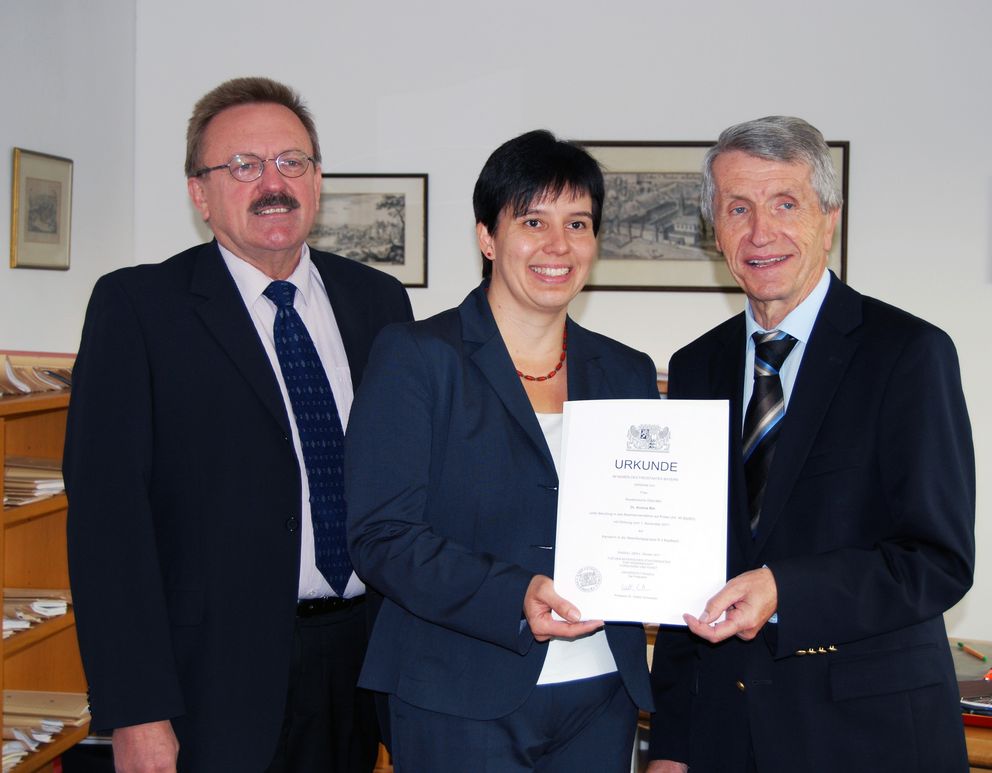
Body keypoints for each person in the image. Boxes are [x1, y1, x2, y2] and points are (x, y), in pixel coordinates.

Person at [64, 76, 413, 772]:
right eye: (243, 166)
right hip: (210, 680)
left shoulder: (377, 302)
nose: (273, 183)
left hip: (361, 659)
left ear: (317, 180)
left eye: (292, 162)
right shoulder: (139, 308)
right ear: (200, 192)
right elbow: (109, 524)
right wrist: (135, 707)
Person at [648, 116, 975, 773]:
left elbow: (937, 559)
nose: (760, 231)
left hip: (867, 738)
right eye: (738, 207)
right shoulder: (693, 368)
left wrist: (784, 589)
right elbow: (685, 568)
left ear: (830, 219)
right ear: (717, 229)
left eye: (785, 204)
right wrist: (672, 745)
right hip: (724, 738)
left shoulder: (909, 353)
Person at [345, 129, 656, 772]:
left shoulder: (627, 371)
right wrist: (514, 596)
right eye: (533, 220)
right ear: (488, 236)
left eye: (578, 223)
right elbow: (382, 535)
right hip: (457, 693)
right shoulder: (417, 357)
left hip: (601, 693)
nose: (558, 246)